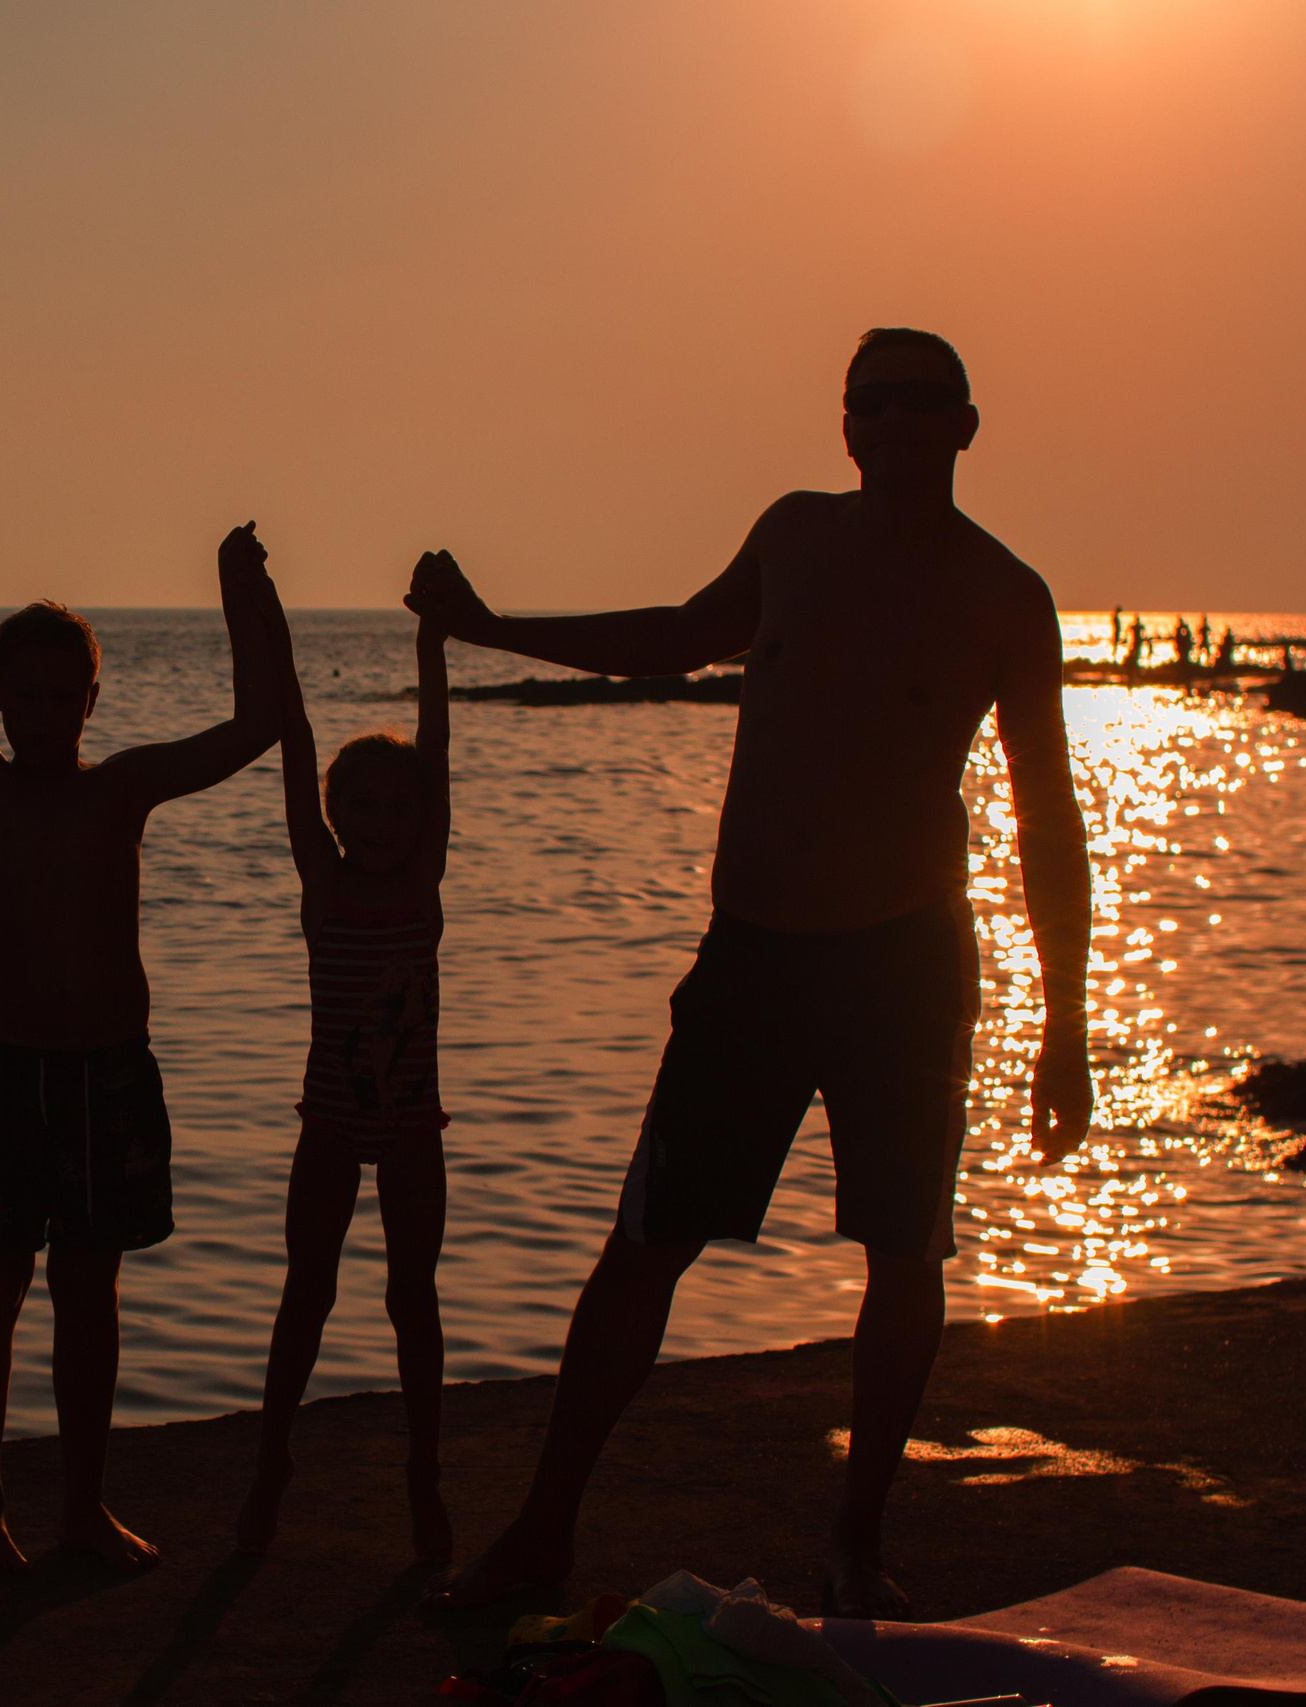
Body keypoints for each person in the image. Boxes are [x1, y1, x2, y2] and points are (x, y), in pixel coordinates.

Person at [407, 328, 1093, 1618]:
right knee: (646, 1242)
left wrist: (1066, 1028)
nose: (891, 419)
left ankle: (857, 1536)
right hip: (753, 958)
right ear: (845, 427)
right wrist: (490, 627)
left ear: (965, 425)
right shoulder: (790, 536)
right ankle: (544, 1532)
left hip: (902, 963)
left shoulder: (1004, 595)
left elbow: (1048, 819)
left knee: (904, 1251)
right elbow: (675, 636)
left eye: (919, 401)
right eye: (868, 400)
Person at [0, 426, 281, 1573]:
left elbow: (256, 725)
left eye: (61, 697)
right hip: (5, 1067)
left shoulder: (123, 787)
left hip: (108, 1071)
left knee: (90, 1298)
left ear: (91, 698)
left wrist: (242, 592)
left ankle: (81, 1510)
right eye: (22, 697)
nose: (41, 716)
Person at [236, 584, 457, 1564]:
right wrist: (263, 609)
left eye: (395, 806)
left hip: (412, 1132)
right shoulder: (322, 885)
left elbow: (437, 744)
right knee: (307, 1293)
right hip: (327, 1124)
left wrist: (432, 634)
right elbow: (291, 736)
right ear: (332, 815)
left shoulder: (419, 883)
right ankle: (270, 1459)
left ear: (421, 820)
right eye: (357, 806)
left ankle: (426, 1473)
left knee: (414, 1299)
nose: (376, 820)